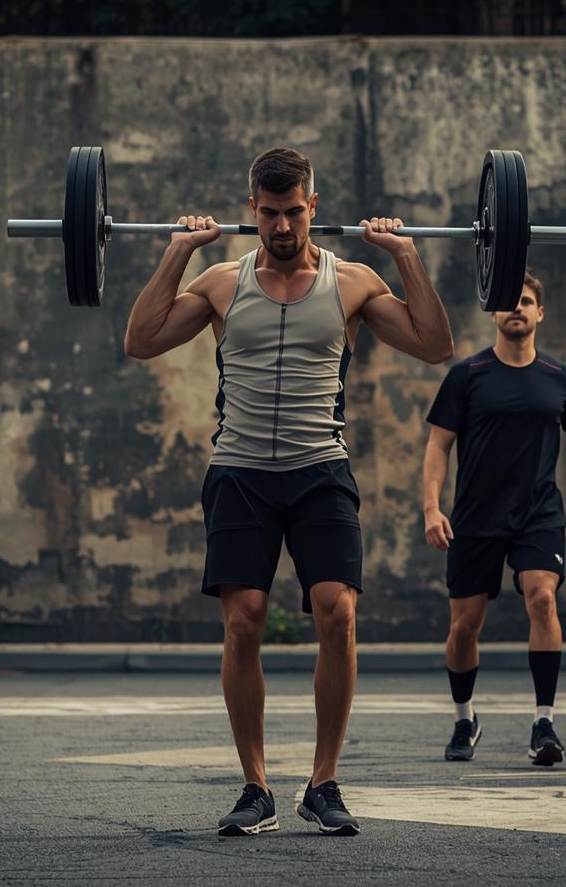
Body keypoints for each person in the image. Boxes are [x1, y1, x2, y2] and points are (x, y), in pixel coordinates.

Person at [123, 148, 454, 836]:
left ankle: (324, 783)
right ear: (252, 209)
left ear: (314, 206)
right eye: (269, 213)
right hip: (240, 472)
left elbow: (434, 345)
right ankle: (256, 788)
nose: (281, 226)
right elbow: (140, 340)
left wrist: (406, 257)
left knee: (337, 615)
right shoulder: (220, 282)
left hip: (319, 472)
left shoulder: (353, 282)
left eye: (293, 212)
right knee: (242, 621)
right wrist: (178, 251)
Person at [422, 271, 566, 766]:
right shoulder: (467, 375)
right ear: (493, 312)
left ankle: (544, 722)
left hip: (538, 513)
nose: (517, 308)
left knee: (542, 598)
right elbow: (438, 444)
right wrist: (431, 507)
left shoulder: (562, 379)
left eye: (527, 301)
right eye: (509, 302)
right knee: (464, 627)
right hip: (475, 517)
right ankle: (465, 718)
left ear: (540, 313)